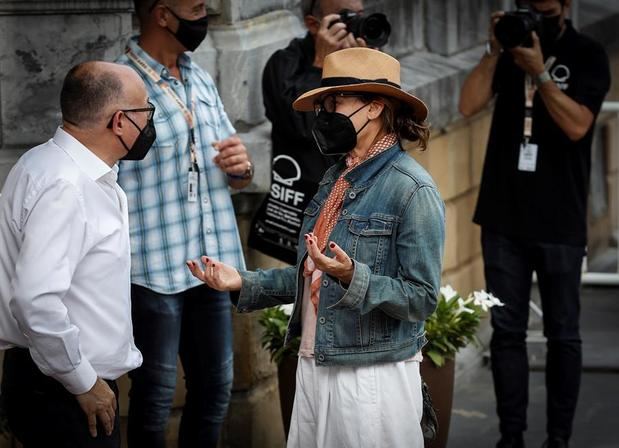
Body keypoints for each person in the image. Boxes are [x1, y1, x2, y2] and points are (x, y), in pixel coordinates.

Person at [188, 47, 445, 448]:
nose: (324, 113)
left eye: (336, 101)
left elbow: (422, 298)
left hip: (369, 377)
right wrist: (242, 281)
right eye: (322, 103)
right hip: (316, 362)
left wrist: (352, 276)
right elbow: (314, 271)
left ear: (375, 107)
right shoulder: (335, 178)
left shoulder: (412, 189)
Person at [458, 1, 610, 447]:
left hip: (560, 217)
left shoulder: (587, 53)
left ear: (565, 8)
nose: (537, 19)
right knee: (506, 332)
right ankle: (512, 436)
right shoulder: (505, 53)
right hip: (504, 215)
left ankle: (558, 438)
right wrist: (493, 50)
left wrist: (541, 74)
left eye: (546, 10)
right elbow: (467, 105)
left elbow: (578, 125)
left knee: (563, 332)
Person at [117, 1, 252, 446]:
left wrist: (240, 168)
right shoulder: (120, 83)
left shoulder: (199, 75)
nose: (204, 14)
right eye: (195, 6)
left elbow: (232, 168)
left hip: (212, 265)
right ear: (161, 14)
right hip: (153, 268)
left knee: (215, 391)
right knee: (154, 399)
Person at [0, 61, 150, 447]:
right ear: (119, 121)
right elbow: (35, 301)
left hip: (60, 382)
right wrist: (84, 383)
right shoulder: (65, 185)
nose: (150, 123)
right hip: (65, 390)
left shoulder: (51, 165)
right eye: (146, 112)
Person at [248, 0, 367, 264]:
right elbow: (302, 126)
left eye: (359, 15)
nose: (354, 24)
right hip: (302, 217)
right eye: (345, 18)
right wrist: (321, 66)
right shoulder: (284, 65)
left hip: (359, 210)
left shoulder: (364, 58)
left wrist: (368, 68)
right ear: (314, 24)